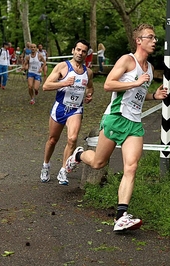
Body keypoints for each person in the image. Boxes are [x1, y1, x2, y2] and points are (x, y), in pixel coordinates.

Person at [64, 24, 168, 232]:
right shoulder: (126, 61)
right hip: (115, 118)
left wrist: (153, 96)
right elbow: (109, 85)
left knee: (131, 167)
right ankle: (79, 155)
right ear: (139, 40)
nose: (155, 41)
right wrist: (135, 82)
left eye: (155, 37)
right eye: (150, 37)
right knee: (98, 163)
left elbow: (137, 96)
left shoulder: (149, 67)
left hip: (134, 123)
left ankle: (121, 216)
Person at [40, 39, 94, 185]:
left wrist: (89, 94)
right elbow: (46, 86)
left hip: (76, 109)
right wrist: (64, 82)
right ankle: (46, 165)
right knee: (52, 140)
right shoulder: (63, 67)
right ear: (73, 50)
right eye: (78, 50)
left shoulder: (88, 72)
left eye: (84, 51)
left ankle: (63, 170)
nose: (80, 53)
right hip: (60, 107)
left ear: (86, 54)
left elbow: (90, 87)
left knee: (72, 139)